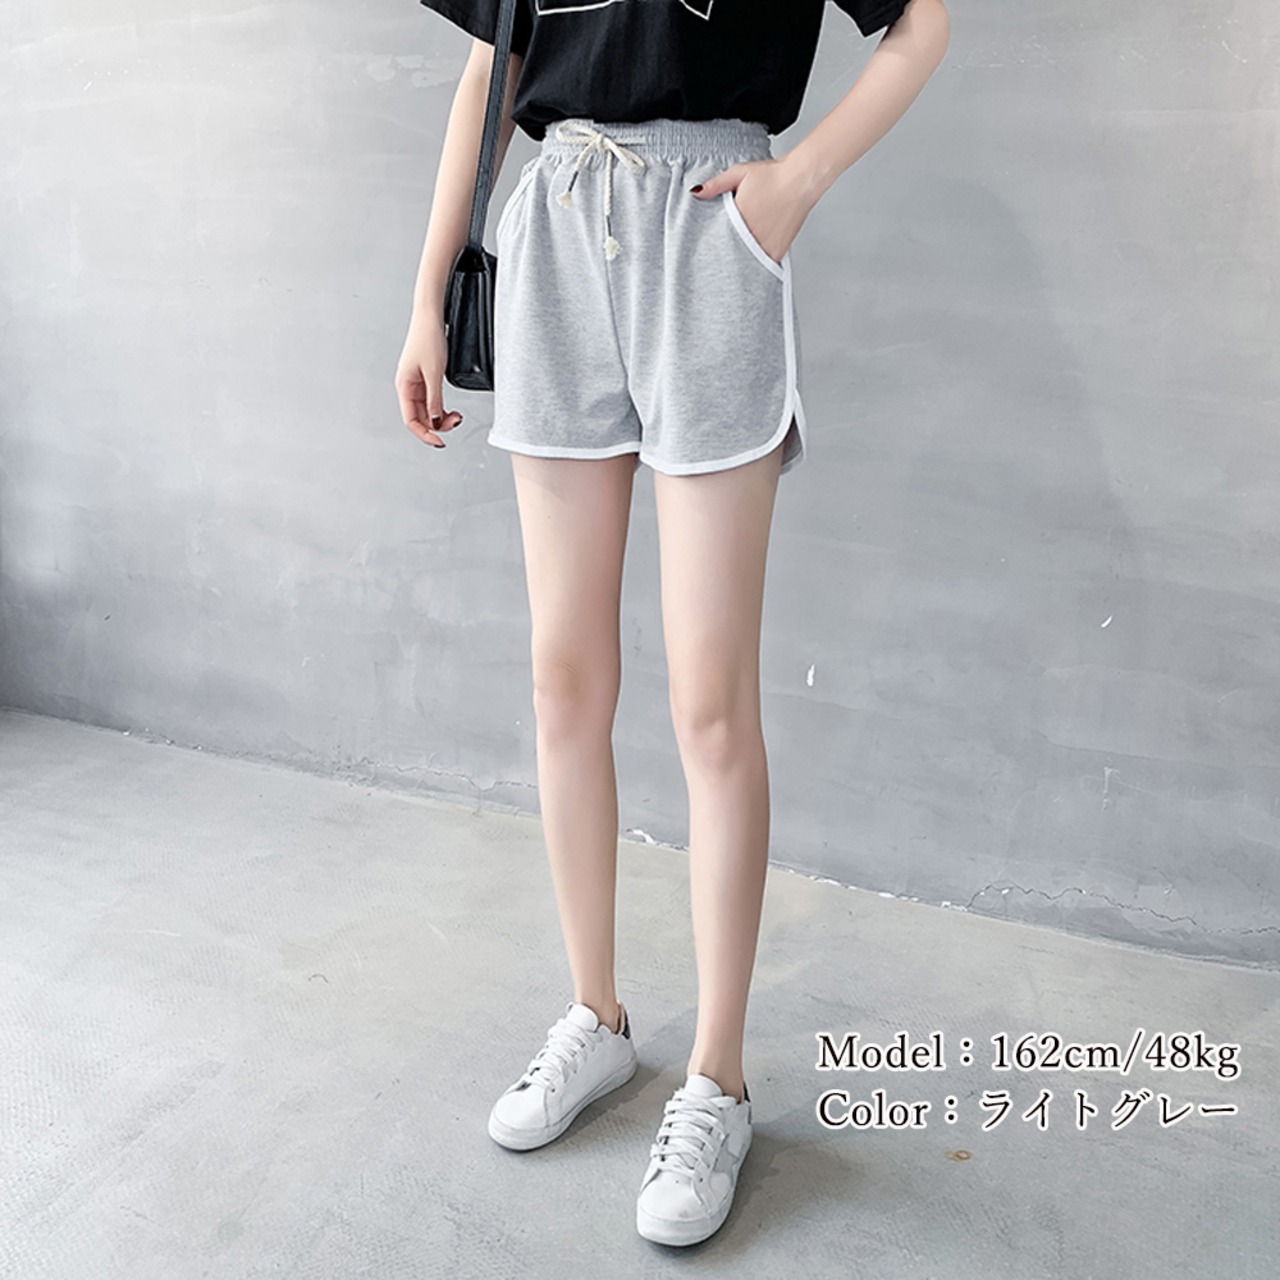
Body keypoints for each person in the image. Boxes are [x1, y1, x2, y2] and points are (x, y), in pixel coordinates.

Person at [396, 0, 949, 1247]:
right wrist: (427, 293)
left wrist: (793, 185)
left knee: (709, 702)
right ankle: (593, 1016)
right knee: (563, 679)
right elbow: (489, 70)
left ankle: (717, 1079)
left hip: (709, 232)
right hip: (553, 225)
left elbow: (920, 23)